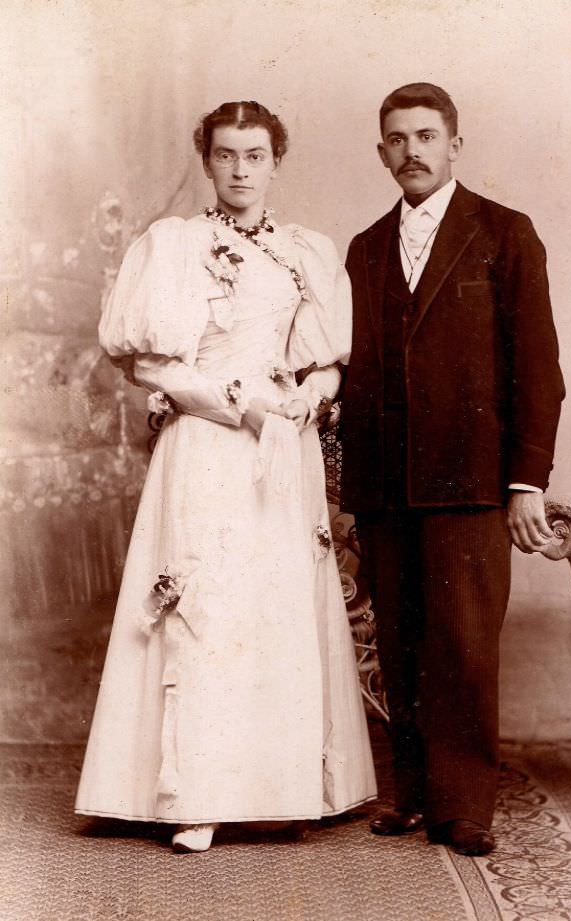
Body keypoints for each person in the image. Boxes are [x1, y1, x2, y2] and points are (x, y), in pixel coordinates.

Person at [75, 100, 376, 853]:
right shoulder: (174, 245)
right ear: (206, 160)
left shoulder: (306, 250)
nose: (241, 171)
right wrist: (238, 411)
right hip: (210, 441)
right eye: (225, 155)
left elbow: (326, 358)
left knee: (275, 607)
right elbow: (152, 362)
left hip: (284, 447)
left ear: (277, 161)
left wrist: (311, 397)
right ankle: (196, 792)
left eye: (255, 155)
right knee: (207, 605)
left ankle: (281, 789)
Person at [339, 83, 564, 856]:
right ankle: (410, 790)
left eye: (427, 136)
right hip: (386, 486)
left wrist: (525, 480)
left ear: (454, 146)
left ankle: (464, 806)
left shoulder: (505, 233)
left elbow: (539, 370)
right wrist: (349, 488)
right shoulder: (365, 248)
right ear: (382, 153)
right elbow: (358, 370)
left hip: (471, 482)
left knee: (463, 644)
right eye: (397, 139)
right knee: (398, 641)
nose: (413, 152)